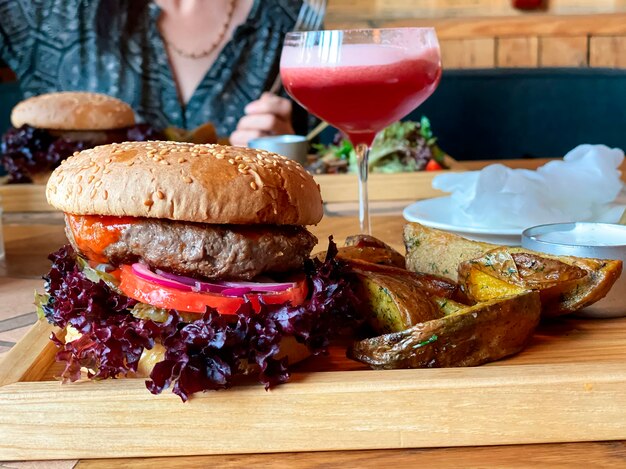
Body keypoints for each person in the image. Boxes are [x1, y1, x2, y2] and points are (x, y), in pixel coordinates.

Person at [0, 0, 305, 145]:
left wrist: (289, 149)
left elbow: (338, 156)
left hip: (251, 245)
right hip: (59, 249)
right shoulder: (47, 10)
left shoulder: (298, 14)